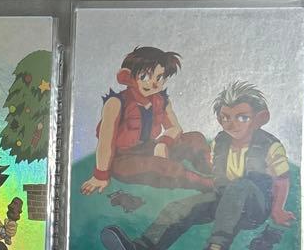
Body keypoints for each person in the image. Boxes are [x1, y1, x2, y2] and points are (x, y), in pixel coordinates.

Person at [100, 80, 294, 250]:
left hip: (253, 208)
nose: (232, 124)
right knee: (180, 208)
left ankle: (217, 248)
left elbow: (282, 179)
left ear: (260, 118)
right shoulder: (221, 141)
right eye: (225, 117)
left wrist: (277, 209)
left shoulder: (269, 145)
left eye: (242, 118)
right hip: (224, 199)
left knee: (240, 186)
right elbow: (215, 169)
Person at [81, 46, 214, 195]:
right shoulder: (116, 103)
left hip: (149, 148)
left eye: (159, 77)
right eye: (145, 77)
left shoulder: (161, 100)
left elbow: (175, 128)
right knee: (162, 166)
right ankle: (207, 184)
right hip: (124, 160)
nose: (154, 84)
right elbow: (106, 142)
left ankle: (213, 169)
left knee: (195, 138)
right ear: (127, 77)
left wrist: (163, 143)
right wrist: (101, 176)